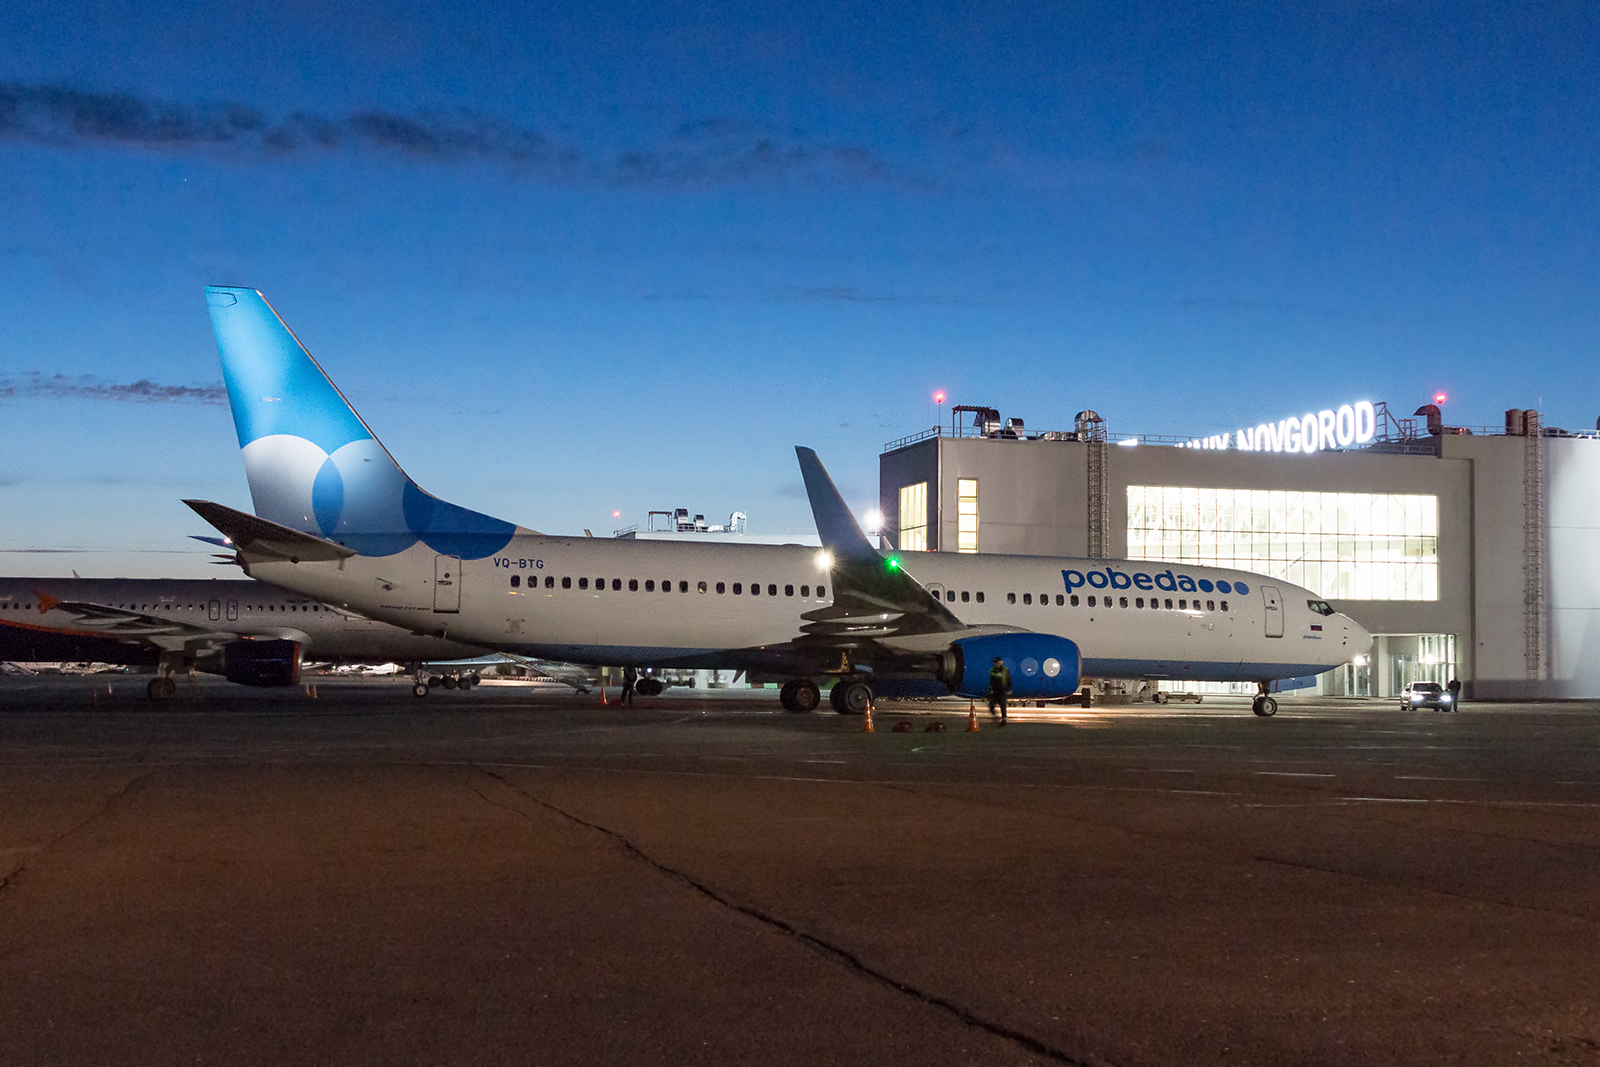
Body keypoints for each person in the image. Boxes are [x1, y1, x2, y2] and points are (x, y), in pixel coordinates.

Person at [987, 657, 1012, 724]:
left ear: (1000, 663)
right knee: (991, 704)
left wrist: (1008, 689)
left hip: (1002, 690)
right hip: (995, 690)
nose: (995, 664)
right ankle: (994, 713)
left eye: (997, 662)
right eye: (995, 663)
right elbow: (991, 680)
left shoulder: (1005, 670)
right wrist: (991, 689)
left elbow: (1008, 680)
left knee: (1003, 705)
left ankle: (1004, 719)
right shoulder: (992, 670)